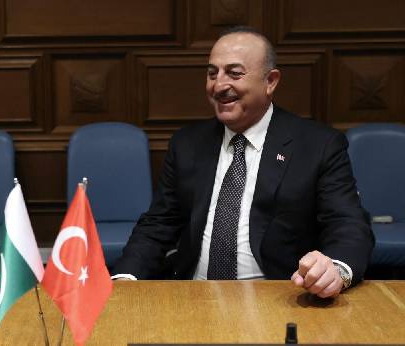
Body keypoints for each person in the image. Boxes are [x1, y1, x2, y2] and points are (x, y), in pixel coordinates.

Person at [112, 25, 374, 298]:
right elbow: (159, 223)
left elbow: (348, 224)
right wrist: (127, 277)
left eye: (234, 73)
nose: (219, 85)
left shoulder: (318, 145)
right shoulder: (187, 143)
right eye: (213, 73)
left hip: (281, 297)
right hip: (192, 295)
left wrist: (336, 269)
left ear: (270, 81)